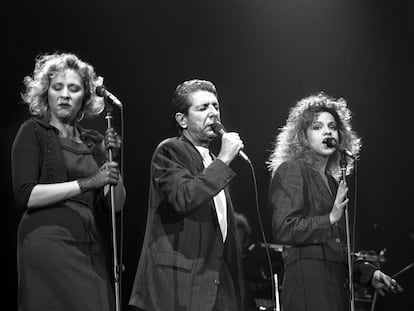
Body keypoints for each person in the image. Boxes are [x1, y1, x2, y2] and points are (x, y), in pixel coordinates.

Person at [267, 93, 403, 311]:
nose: (327, 131)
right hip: (308, 285)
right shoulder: (293, 170)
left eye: (332, 126)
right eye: (317, 127)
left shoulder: (333, 182)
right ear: (303, 137)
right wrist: (329, 218)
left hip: (335, 287)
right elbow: (284, 228)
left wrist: (369, 274)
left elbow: (336, 248)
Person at [11, 52, 126, 311]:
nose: (64, 95)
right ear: (46, 93)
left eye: (73, 89)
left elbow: (116, 206)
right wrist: (88, 182)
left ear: (84, 97)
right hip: (47, 239)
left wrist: (112, 159)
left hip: (89, 243)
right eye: (57, 87)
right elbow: (26, 195)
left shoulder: (94, 142)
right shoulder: (33, 132)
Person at [129, 79, 245, 311]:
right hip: (178, 285)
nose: (213, 113)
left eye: (215, 106)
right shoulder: (170, 150)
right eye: (203, 108)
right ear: (182, 120)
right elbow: (183, 198)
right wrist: (224, 160)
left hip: (216, 286)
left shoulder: (213, 162)